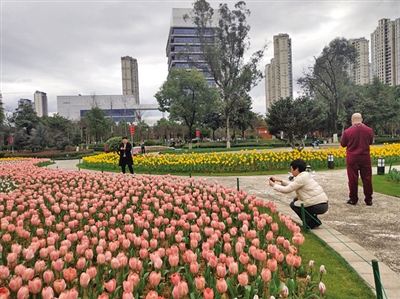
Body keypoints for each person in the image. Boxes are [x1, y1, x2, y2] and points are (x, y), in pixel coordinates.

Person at [269, 159, 329, 229]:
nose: (291, 172)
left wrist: (274, 185)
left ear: (297, 169)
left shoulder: (301, 178)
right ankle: (314, 221)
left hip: (319, 206)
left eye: (291, 170)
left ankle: (311, 223)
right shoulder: (305, 175)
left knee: (294, 205)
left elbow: (287, 190)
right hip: (322, 203)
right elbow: (293, 185)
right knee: (296, 199)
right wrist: (280, 181)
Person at [340, 113, 374, 206]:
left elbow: (343, 144)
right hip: (365, 157)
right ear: (362, 119)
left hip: (352, 158)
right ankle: (368, 199)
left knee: (353, 179)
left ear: (352, 120)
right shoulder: (369, 130)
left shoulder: (347, 131)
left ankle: (353, 199)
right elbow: (370, 142)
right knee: (367, 178)